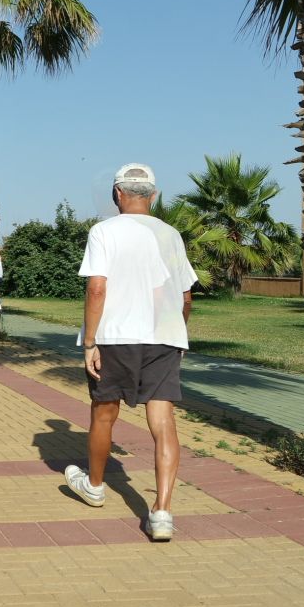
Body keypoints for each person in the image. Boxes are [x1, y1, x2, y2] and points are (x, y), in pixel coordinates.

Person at [63, 163, 197, 541]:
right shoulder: (171, 235)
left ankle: (94, 485)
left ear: (117, 194)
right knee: (163, 420)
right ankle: (162, 512)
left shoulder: (103, 231)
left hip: (114, 337)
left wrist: (89, 343)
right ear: (153, 196)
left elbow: (96, 289)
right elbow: (184, 295)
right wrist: (178, 334)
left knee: (104, 413)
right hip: (163, 337)